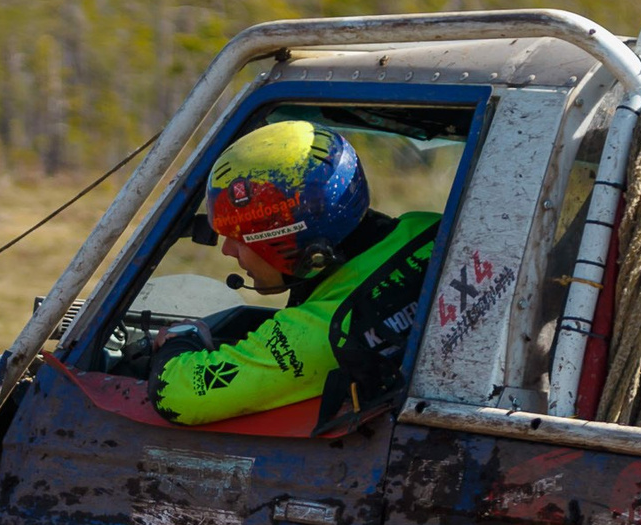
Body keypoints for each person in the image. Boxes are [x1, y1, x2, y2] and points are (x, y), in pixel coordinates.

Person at [150, 118, 444, 427]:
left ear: (292, 240)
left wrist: (182, 340)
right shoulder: (431, 228)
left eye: (240, 237)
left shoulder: (326, 330)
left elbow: (175, 395)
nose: (226, 250)